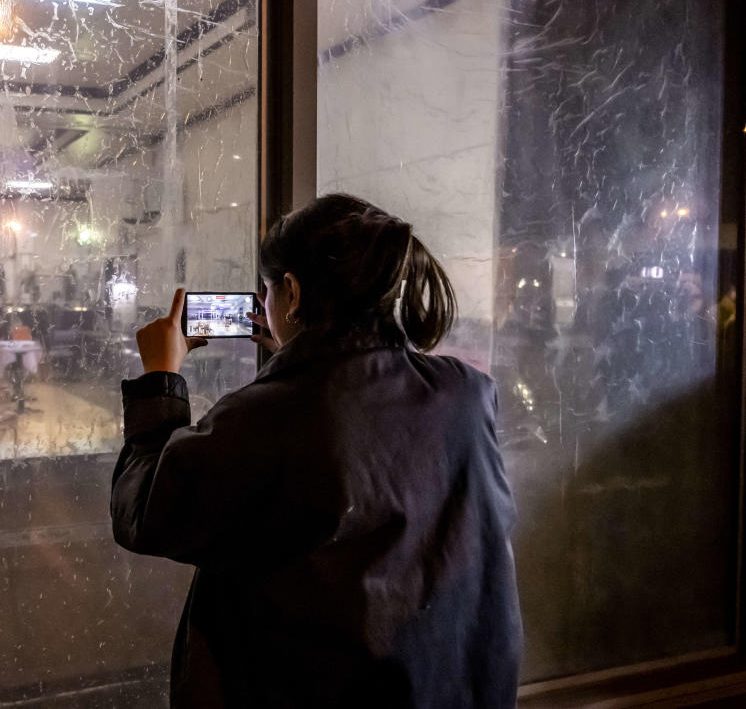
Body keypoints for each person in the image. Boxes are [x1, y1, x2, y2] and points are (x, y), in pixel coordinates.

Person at [111, 194, 522, 707]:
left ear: (293, 293)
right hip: (445, 686)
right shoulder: (464, 392)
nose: (262, 305)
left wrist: (161, 377)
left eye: (267, 291)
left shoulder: (268, 415)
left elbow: (145, 512)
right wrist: (298, 360)